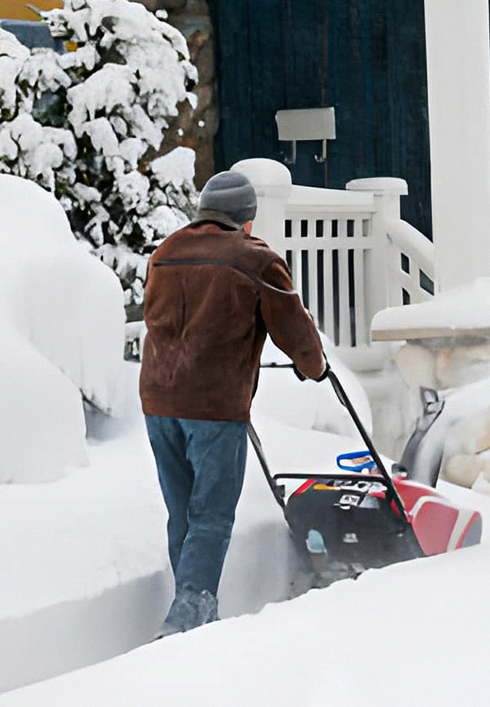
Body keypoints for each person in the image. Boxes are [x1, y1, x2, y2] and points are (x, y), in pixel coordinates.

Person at [139, 170, 327, 638]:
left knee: (183, 512)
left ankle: (197, 610)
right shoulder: (255, 259)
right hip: (213, 405)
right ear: (246, 220)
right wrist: (314, 365)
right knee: (212, 514)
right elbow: (292, 323)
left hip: (158, 400)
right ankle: (186, 618)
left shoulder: (166, 253)